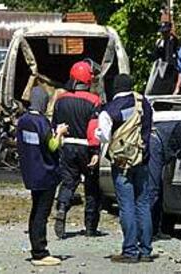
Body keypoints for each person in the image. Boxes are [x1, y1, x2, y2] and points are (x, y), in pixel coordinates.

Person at [96, 74, 153, 263]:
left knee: (126, 206)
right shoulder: (143, 103)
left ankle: (130, 251)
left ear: (115, 88)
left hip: (122, 163)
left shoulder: (109, 110)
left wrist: (97, 133)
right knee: (143, 205)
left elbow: (104, 136)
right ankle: (145, 250)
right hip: (142, 160)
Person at [17, 87, 69, 266]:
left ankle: (36, 248)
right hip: (46, 174)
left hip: (31, 173)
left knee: (35, 211)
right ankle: (40, 253)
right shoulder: (41, 122)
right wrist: (60, 132)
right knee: (42, 213)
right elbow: (52, 146)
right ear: (44, 102)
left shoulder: (23, 121)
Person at [52, 60, 102, 239]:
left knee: (68, 182)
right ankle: (90, 227)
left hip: (67, 146)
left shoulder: (61, 100)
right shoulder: (94, 100)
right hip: (86, 147)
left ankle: (62, 209)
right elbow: (93, 128)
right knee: (91, 187)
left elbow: (55, 125)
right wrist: (96, 151)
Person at [150, 22, 179, 95]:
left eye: (166, 32)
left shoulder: (174, 41)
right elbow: (155, 57)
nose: (164, 34)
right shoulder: (160, 42)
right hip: (162, 69)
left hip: (172, 70)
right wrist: (158, 48)